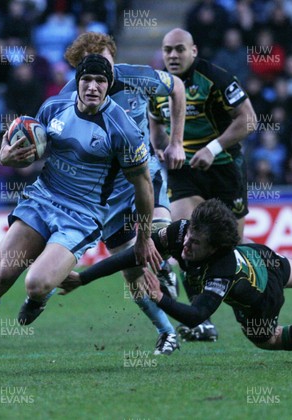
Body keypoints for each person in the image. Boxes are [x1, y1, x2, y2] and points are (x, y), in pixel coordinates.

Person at [0, 54, 161, 379]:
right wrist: (4, 156)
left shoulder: (124, 129)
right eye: (86, 80)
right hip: (42, 200)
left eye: (101, 81)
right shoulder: (54, 108)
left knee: (35, 284)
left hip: (82, 217)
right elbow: (26, 151)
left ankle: (41, 296)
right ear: (77, 81)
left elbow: (144, 186)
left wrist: (145, 237)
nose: (93, 87)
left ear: (109, 85)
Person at [61, 199, 292, 353]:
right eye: (189, 238)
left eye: (196, 245)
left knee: (266, 340)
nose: (186, 247)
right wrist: (84, 277)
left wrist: (161, 298)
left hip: (262, 294)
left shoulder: (221, 270)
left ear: (214, 248)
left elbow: (198, 315)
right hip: (259, 255)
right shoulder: (184, 231)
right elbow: (134, 254)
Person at [46, 32, 187, 356]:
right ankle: (167, 333)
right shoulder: (71, 96)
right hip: (106, 195)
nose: (99, 79)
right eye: (90, 71)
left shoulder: (138, 76)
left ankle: (170, 276)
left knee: (162, 236)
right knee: (132, 271)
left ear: (113, 59)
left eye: (105, 66)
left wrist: (175, 141)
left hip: (143, 176)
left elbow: (177, 87)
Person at [149, 28, 257, 341]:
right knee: (187, 237)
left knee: (231, 247)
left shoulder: (216, 78)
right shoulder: (158, 84)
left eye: (179, 49)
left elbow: (249, 120)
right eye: (167, 49)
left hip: (224, 170)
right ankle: (200, 321)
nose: (172, 55)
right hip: (183, 170)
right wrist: (159, 143)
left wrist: (214, 148)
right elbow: (155, 117)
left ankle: (249, 296)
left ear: (193, 51)